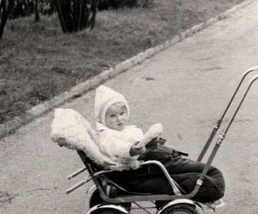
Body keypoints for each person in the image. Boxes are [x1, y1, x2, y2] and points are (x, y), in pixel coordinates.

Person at [93, 85, 225, 204]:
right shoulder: (107, 136)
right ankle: (208, 187)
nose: (119, 119)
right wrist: (132, 150)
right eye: (112, 116)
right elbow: (116, 147)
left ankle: (207, 181)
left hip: (150, 163)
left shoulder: (123, 130)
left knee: (207, 171)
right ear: (102, 119)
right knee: (206, 175)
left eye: (122, 114)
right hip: (141, 171)